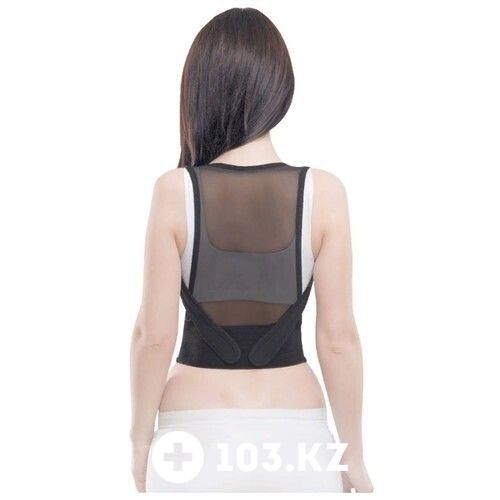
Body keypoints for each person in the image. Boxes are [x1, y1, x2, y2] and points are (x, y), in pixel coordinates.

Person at [129, 7, 373, 493]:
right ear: (279, 88)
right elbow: (338, 339)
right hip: (297, 439)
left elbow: (152, 337)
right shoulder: (323, 193)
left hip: (192, 438)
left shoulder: (175, 191)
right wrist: (354, 457)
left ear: (199, 90)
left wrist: (139, 440)